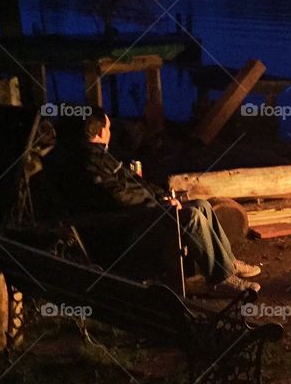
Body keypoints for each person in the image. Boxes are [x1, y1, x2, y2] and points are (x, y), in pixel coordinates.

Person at [78, 108, 262, 295]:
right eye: (109, 128)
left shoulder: (104, 156)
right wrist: (160, 205)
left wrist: (163, 196)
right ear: (101, 132)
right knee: (192, 217)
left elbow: (135, 184)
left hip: (141, 213)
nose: (110, 132)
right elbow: (119, 197)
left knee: (202, 205)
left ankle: (228, 262)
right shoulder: (89, 163)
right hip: (128, 226)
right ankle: (221, 279)